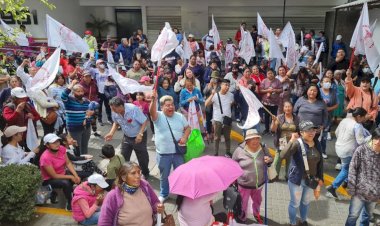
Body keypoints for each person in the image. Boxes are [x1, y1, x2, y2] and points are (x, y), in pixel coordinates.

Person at [281, 120, 324, 226]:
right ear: (301, 132)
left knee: (305, 202)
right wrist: (291, 141)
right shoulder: (297, 143)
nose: (311, 132)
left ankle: (303, 220)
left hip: (310, 180)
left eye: (313, 129)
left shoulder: (317, 143)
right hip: (297, 180)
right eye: (308, 130)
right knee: (295, 203)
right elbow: (283, 155)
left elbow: (320, 162)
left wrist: (320, 178)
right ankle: (293, 223)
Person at [149, 93, 191, 201]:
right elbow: (151, 112)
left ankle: (181, 193)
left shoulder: (180, 116)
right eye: (167, 105)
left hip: (178, 152)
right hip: (163, 153)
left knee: (180, 174)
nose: (171, 107)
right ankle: (164, 194)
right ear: (161, 107)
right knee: (164, 176)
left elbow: (187, 128)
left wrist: (185, 137)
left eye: (172, 104)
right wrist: (153, 100)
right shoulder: (158, 116)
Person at [98, 162, 164, 226]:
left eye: (139, 172)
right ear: (123, 177)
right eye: (133, 173)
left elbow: (155, 202)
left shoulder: (145, 186)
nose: (138, 176)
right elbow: (104, 222)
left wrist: (158, 207)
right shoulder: (112, 196)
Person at [326, 107, 370, 199]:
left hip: (338, 147)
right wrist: (370, 137)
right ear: (358, 116)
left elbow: (337, 132)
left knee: (346, 167)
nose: (364, 119)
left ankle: (346, 182)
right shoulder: (357, 126)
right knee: (346, 170)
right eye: (363, 117)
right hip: (348, 151)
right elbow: (361, 141)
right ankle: (333, 187)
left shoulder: (345, 120)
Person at [232, 129, 273, 223]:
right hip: (244, 184)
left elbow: (271, 158)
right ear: (247, 140)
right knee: (243, 203)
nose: (255, 141)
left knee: (258, 200)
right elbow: (233, 164)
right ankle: (242, 217)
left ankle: (256, 213)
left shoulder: (263, 147)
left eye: (257, 138)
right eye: (252, 139)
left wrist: (269, 160)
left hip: (259, 183)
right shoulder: (239, 150)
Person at [105, 97, 150, 179]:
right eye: (112, 109)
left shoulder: (133, 109)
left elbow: (144, 121)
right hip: (126, 136)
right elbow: (116, 122)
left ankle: (145, 172)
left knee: (142, 156)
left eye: (114, 109)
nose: (113, 111)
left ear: (121, 106)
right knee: (123, 156)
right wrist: (111, 133)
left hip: (139, 136)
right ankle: (126, 173)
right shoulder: (114, 112)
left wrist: (140, 134)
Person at [345, 128, 380, 226]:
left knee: (367, 216)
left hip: (374, 193)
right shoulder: (361, 150)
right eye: (376, 138)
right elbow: (352, 169)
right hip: (359, 192)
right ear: (372, 138)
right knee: (353, 216)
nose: (378, 142)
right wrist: (351, 188)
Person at [40, 133, 81, 211]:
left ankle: (79, 197)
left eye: (57, 141)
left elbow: (68, 163)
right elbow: (54, 176)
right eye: (53, 142)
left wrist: (75, 175)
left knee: (78, 178)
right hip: (49, 179)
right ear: (47, 145)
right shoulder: (45, 158)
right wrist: (71, 176)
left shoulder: (62, 148)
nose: (57, 144)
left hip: (62, 173)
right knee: (66, 183)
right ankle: (70, 204)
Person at [61, 80, 94, 155]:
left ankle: (85, 160)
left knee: (84, 145)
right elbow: (63, 95)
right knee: (76, 146)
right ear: (73, 92)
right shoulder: (69, 100)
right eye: (78, 91)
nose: (80, 93)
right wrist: (72, 84)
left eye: (81, 91)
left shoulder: (86, 101)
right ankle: (78, 161)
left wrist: (90, 115)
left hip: (86, 127)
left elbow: (90, 112)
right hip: (74, 128)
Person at [293, 83, 328, 151]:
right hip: (301, 130)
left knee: (313, 148)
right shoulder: (301, 99)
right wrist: (295, 124)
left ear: (317, 92)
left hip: (315, 131)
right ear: (307, 91)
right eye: (311, 90)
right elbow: (294, 112)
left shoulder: (321, 102)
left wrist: (323, 126)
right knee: (300, 148)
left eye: (315, 91)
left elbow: (325, 115)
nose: (312, 92)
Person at [270, 102, 300, 180]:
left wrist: (298, 135)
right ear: (283, 108)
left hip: (292, 142)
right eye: (286, 107)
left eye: (289, 106)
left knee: (290, 160)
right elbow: (273, 130)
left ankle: (288, 176)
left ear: (292, 108)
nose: (287, 108)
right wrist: (273, 122)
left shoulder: (297, 118)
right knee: (278, 160)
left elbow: (299, 131)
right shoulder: (279, 117)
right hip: (282, 141)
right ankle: (274, 176)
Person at [205, 79, 234, 156]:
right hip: (217, 119)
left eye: (228, 85)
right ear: (221, 85)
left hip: (227, 119)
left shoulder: (231, 95)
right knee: (216, 137)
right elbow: (206, 104)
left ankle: (228, 152)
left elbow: (231, 104)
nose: (227, 87)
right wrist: (212, 94)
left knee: (227, 137)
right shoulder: (215, 95)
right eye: (225, 85)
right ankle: (215, 153)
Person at [84, 59, 112, 125]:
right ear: (97, 65)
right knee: (99, 106)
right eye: (100, 63)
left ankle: (109, 119)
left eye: (102, 62)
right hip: (98, 91)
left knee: (108, 105)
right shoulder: (94, 71)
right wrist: (90, 60)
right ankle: (100, 120)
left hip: (107, 91)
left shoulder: (107, 71)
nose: (102, 64)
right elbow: (86, 68)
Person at [319, 76, 338, 158]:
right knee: (314, 135)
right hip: (317, 116)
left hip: (327, 117)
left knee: (324, 136)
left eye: (329, 82)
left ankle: (323, 151)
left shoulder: (333, 92)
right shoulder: (318, 91)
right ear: (321, 83)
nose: (328, 83)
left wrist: (328, 109)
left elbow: (337, 104)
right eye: (326, 81)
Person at [260, 69, 283, 134]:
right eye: (268, 73)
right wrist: (268, 91)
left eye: (271, 73)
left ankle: (273, 129)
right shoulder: (264, 81)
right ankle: (266, 129)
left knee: (274, 117)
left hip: (275, 102)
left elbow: (281, 90)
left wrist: (275, 90)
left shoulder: (278, 81)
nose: (270, 75)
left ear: (274, 74)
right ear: (266, 75)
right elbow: (261, 90)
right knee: (266, 116)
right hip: (266, 102)